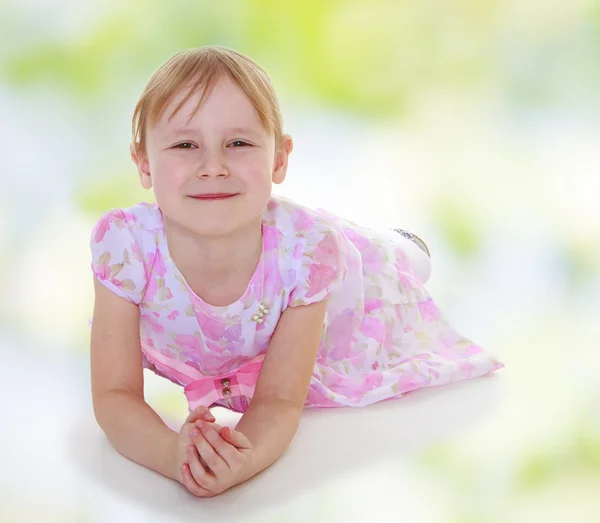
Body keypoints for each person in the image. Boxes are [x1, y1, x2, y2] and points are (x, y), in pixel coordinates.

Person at [89, 46, 504, 498]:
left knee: (392, 265)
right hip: (250, 314)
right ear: (144, 161)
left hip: (350, 285)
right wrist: (174, 454)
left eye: (239, 143)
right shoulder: (125, 248)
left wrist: (243, 455)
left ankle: (402, 245)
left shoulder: (308, 257)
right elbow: (115, 395)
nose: (213, 167)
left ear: (279, 159)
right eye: (185, 145)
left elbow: (279, 400)